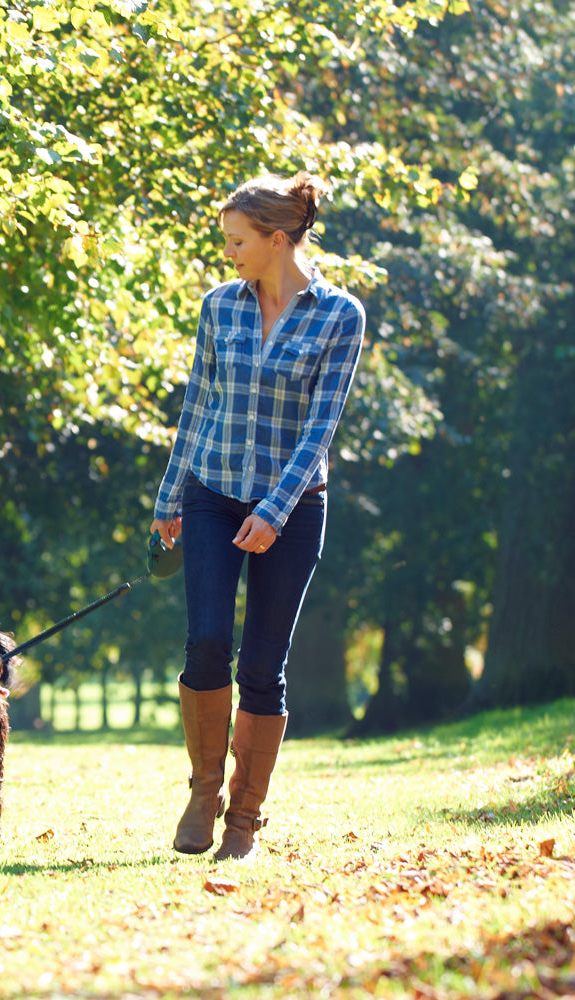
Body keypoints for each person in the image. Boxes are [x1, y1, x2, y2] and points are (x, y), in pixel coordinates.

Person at [150, 172, 366, 861]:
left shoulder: (341, 316)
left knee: (264, 668)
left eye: (237, 241)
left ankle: (244, 819)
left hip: (295, 507)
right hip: (211, 491)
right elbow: (197, 405)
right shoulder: (220, 305)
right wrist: (167, 499)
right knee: (207, 642)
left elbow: (321, 428)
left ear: (278, 240)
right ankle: (204, 790)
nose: (228, 253)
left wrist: (275, 510)